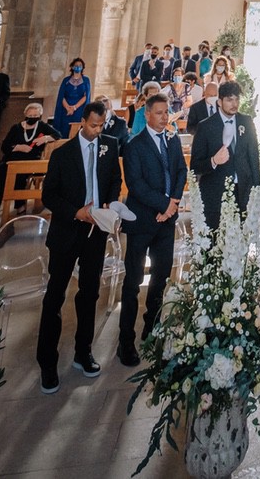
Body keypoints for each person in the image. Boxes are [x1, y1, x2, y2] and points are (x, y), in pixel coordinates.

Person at [35, 101, 121, 393]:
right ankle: (47, 362)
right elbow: (49, 196)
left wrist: (107, 206)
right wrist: (76, 212)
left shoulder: (109, 145)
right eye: (93, 125)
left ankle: (83, 353)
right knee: (55, 295)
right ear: (82, 121)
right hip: (67, 232)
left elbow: (114, 179)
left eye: (101, 126)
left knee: (89, 294)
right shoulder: (62, 154)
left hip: (95, 232)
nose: (97, 131)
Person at [116, 93, 188, 366]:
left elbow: (180, 171)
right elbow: (136, 184)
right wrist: (164, 205)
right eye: (158, 113)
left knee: (160, 277)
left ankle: (152, 325)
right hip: (142, 221)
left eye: (166, 112)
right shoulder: (135, 145)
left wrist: (173, 204)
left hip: (166, 222)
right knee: (133, 281)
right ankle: (125, 341)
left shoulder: (172, 138)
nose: (163, 117)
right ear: (146, 114)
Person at [190, 79, 260, 229]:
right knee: (216, 242)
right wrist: (214, 161)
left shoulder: (246, 122)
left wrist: (257, 190)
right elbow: (195, 166)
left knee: (240, 239)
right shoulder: (205, 127)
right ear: (219, 102)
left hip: (242, 191)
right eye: (229, 100)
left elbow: (253, 158)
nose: (234, 104)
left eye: (236, 99)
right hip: (215, 194)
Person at [0, 102, 60, 225]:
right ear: (25, 114)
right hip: (12, 159)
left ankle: (20, 205)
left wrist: (45, 138)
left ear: (40, 115)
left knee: (21, 175)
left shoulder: (41, 126)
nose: (33, 117)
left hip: (31, 161)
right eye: (30, 114)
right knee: (1, 180)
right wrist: (18, 147)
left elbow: (57, 134)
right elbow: (5, 146)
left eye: (36, 115)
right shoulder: (16, 128)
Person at [52, 57, 91, 137]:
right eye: (76, 65)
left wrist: (74, 107)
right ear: (72, 67)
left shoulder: (86, 80)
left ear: (83, 67)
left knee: (77, 130)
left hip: (79, 109)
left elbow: (86, 96)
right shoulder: (66, 80)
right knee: (64, 129)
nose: (78, 67)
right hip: (66, 109)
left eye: (80, 65)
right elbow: (61, 96)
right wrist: (68, 108)